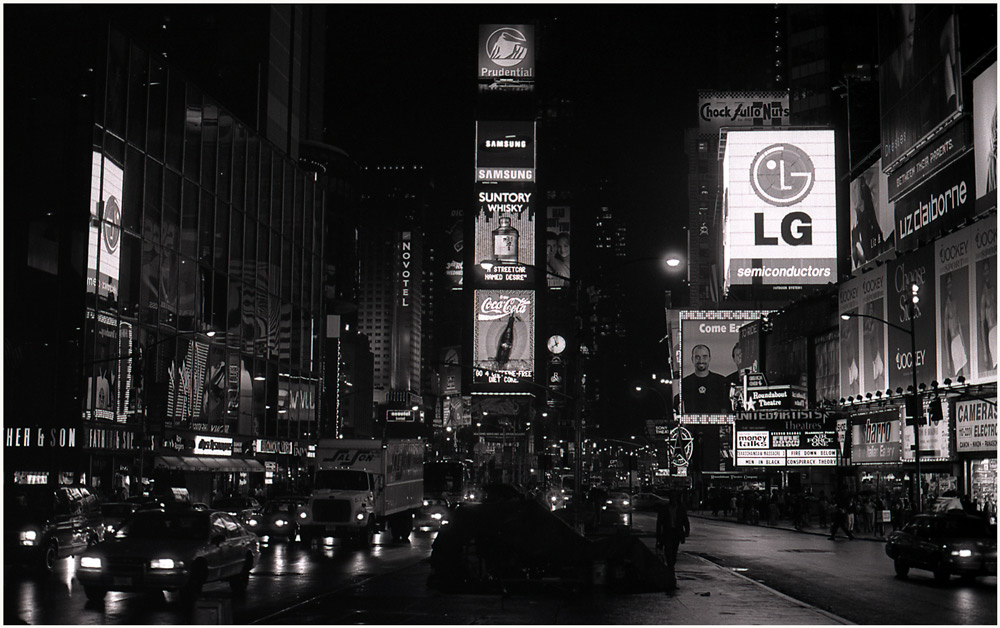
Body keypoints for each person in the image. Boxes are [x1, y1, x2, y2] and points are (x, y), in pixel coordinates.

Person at [679, 344, 731, 414]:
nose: (701, 360)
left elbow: (726, 408)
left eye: (704, 357)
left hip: (716, 424)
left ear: (709, 358)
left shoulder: (721, 381)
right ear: (692, 359)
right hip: (691, 424)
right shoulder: (685, 383)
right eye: (697, 357)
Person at [655, 490, 690, 591]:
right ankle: (670, 571)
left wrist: (686, 532)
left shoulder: (681, 509)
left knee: (673, 552)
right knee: (668, 552)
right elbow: (659, 522)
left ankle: (670, 568)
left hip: (676, 533)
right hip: (667, 532)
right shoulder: (665, 508)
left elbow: (685, 521)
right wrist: (658, 535)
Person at [942, 273, 969, 377]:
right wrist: (948, 360)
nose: (950, 286)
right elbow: (945, 334)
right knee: (958, 373)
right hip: (953, 341)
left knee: (965, 372)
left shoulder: (955, 303)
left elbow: (959, 325)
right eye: (948, 284)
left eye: (951, 283)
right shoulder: (946, 307)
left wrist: (963, 344)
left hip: (959, 339)